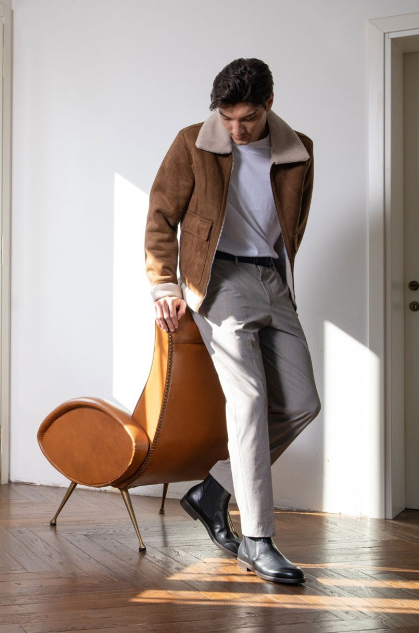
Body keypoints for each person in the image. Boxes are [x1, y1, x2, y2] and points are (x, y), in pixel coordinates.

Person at [144, 58, 320, 585]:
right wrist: (165, 285)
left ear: (268, 104)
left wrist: (282, 277)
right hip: (218, 279)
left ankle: (210, 492)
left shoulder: (300, 149)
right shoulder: (192, 143)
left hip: (273, 281)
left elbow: (294, 220)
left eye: (245, 118)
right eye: (226, 117)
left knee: (303, 402)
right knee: (248, 401)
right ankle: (258, 541)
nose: (235, 130)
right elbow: (160, 215)